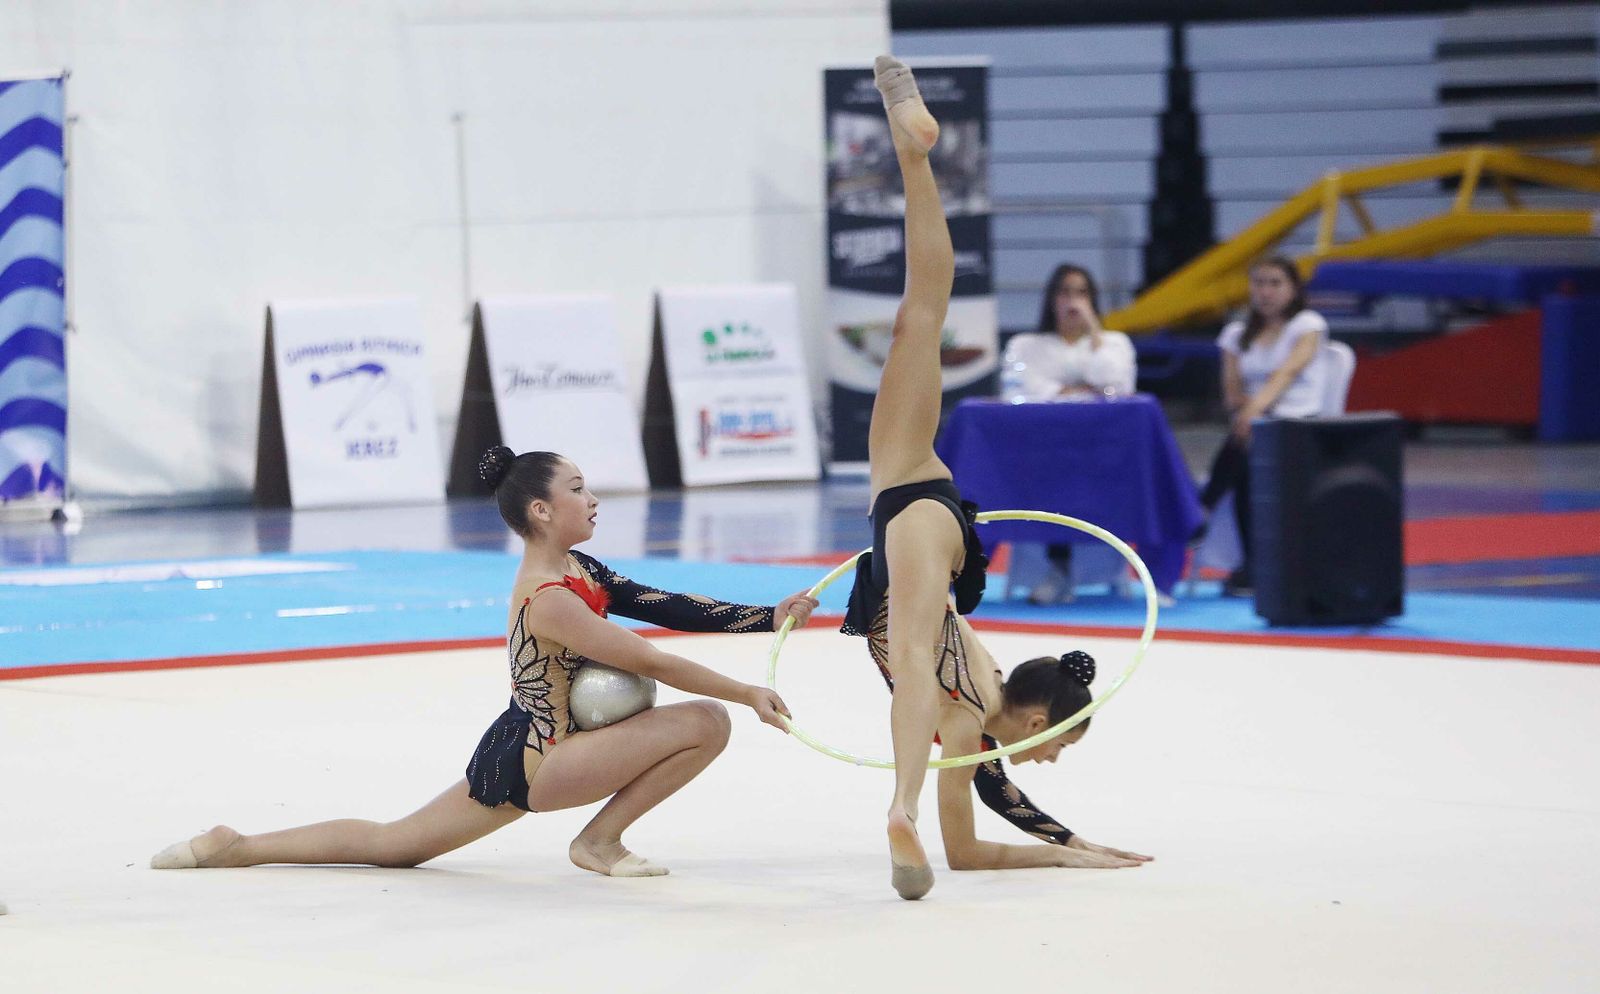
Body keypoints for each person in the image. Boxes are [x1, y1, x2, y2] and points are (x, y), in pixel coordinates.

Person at [150, 447, 818, 878]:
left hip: (520, 746)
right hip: (547, 758)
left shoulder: (579, 567)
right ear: (540, 510)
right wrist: (744, 691)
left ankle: (237, 845)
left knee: (396, 844)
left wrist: (769, 613)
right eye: (579, 489)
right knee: (707, 720)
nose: (592, 500)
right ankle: (598, 843)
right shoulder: (549, 599)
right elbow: (648, 657)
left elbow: (661, 603)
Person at [844, 57, 1150, 901]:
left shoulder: (979, 707)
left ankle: (914, 150)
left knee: (921, 314)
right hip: (916, 510)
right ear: (1037, 718)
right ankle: (898, 804)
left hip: (916, 509)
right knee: (911, 657)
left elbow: (982, 831)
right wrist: (1066, 842)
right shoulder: (971, 715)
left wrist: (1070, 847)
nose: (1047, 758)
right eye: (1058, 745)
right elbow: (987, 816)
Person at [1001, 264, 1138, 603]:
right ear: (1051, 299)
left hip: (1102, 451)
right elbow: (1022, 391)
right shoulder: (1026, 344)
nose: (1072, 302)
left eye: (1082, 293)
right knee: (1055, 474)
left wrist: (1094, 329)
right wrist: (1079, 388)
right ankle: (1058, 567)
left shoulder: (1114, 343)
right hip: (1044, 451)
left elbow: (1117, 386)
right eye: (1065, 292)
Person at [1198, 255, 1328, 595]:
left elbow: (1285, 374)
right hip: (1251, 427)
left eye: (1275, 283)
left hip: (1299, 423)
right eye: (1259, 283)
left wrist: (1255, 413)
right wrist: (1250, 414)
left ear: (1293, 289)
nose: (1266, 292)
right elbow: (1231, 394)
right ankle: (1251, 562)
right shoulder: (1236, 334)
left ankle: (1202, 509)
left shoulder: (1308, 326)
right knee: (1247, 458)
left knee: (1249, 446)